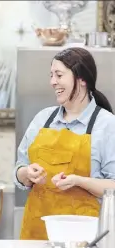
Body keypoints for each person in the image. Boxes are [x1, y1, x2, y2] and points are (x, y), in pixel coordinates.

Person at [14, 47, 115, 240]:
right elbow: (19, 168)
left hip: (83, 238)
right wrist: (26, 173)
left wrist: (79, 181)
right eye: (51, 75)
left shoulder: (107, 125)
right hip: (36, 234)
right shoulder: (42, 119)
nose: (53, 82)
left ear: (82, 79)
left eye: (59, 75)